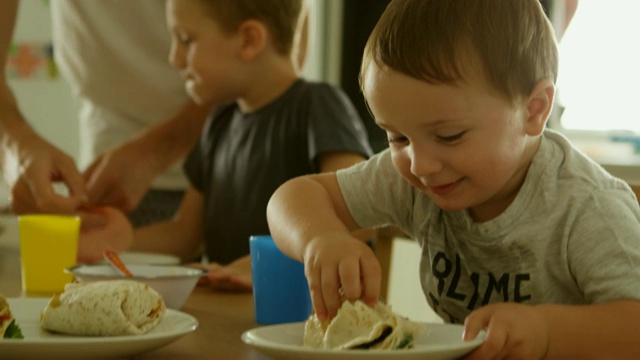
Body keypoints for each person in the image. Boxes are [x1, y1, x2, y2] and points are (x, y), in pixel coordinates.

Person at [266, 0, 640, 358]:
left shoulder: (588, 207)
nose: (421, 164)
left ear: (534, 109)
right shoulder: (416, 177)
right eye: (397, 137)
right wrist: (321, 237)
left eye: (449, 136)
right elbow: (293, 196)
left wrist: (545, 333)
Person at [79, 0, 373, 291]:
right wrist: (122, 240)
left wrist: (252, 266)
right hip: (228, 318)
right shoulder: (219, 121)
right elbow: (186, 236)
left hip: (298, 323)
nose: (175, 59)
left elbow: (360, 218)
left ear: (249, 40)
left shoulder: (319, 106)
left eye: (186, 40)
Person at [0, 0, 214, 227]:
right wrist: (17, 147)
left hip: (213, 167)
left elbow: (245, 60)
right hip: (101, 176)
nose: (176, 59)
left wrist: (158, 150)